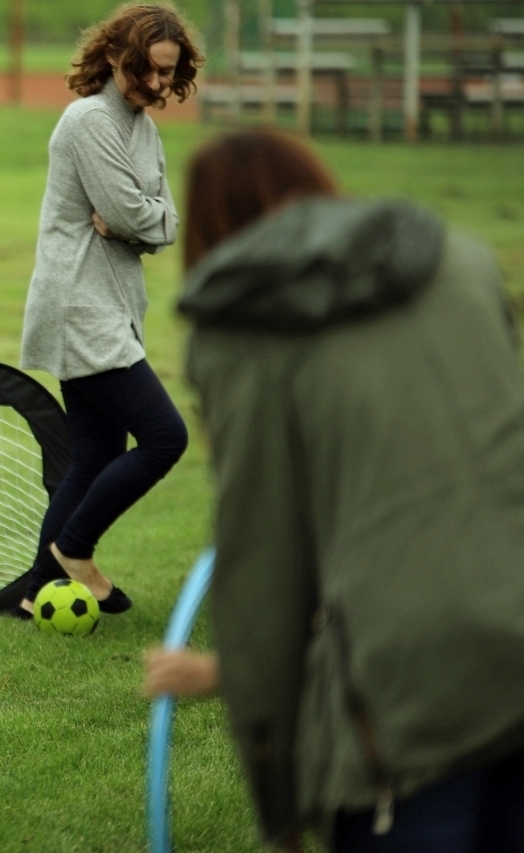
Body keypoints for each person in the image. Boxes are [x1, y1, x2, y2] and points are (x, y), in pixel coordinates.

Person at [167, 128, 524, 850]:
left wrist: (280, 810)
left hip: (410, 697)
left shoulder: (239, 327)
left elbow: (262, 569)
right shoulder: (461, 259)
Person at [16, 2, 201, 619]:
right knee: (164, 436)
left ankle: (33, 590)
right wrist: (139, 221)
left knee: (95, 454)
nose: (155, 84)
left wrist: (140, 223)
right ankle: (74, 550)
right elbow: (130, 214)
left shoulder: (143, 130)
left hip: (112, 306)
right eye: (144, 69)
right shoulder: (88, 121)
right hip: (80, 305)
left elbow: (165, 223)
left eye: (167, 73)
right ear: (115, 55)